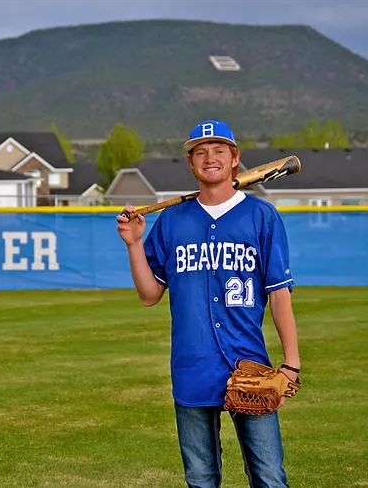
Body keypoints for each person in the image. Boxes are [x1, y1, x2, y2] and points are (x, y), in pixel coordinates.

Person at [116, 120, 301, 488]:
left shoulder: (262, 216)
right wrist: (135, 244)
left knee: (269, 476)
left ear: (235, 159)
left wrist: (291, 365)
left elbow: (279, 293)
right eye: (200, 152)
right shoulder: (171, 221)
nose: (209, 158)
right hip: (192, 366)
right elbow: (149, 295)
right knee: (200, 479)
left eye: (219, 150)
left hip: (251, 365)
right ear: (191, 163)